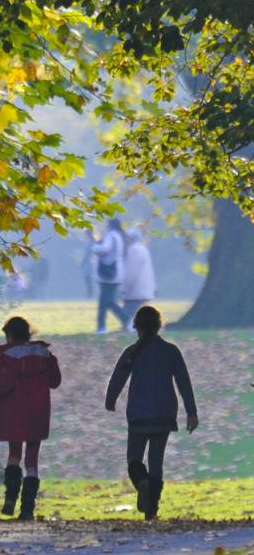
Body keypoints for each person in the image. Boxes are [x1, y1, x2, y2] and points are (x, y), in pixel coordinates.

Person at [105, 304, 199, 520]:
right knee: (156, 461)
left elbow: (117, 378)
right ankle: (152, 510)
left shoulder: (132, 352)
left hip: (139, 414)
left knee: (134, 459)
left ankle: (142, 483)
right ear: (159, 325)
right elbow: (184, 382)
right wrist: (191, 412)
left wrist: (111, 398)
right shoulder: (171, 351)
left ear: (137, 326)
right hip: (164, 413)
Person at [0, 316, 61, 521]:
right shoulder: (44, 354)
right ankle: (27, 508)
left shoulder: (6, 356)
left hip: (14, 413)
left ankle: (10, 499)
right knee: (32, 460)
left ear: (9, 335)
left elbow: (4, 385)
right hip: (38, 413)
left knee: (14, 454)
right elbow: (55, 381)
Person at [91, 217, 126, 333]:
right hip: (115, 273)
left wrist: (94, 247)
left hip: (108, 274)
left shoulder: (111, 236)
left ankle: (102, 327)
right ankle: (125, 321)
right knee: (107, 301)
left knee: (105, 302)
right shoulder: (119, 236)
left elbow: (105, 249)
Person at [121, 227, 156, 329]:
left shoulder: (134, 250)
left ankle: (130, 328)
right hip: (143, 288)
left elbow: (131, 271)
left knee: (127, 312)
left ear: (131, 238)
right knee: (134, 311)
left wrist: (125, 287)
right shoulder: (143, 248)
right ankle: (131, 327)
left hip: (136, 289)